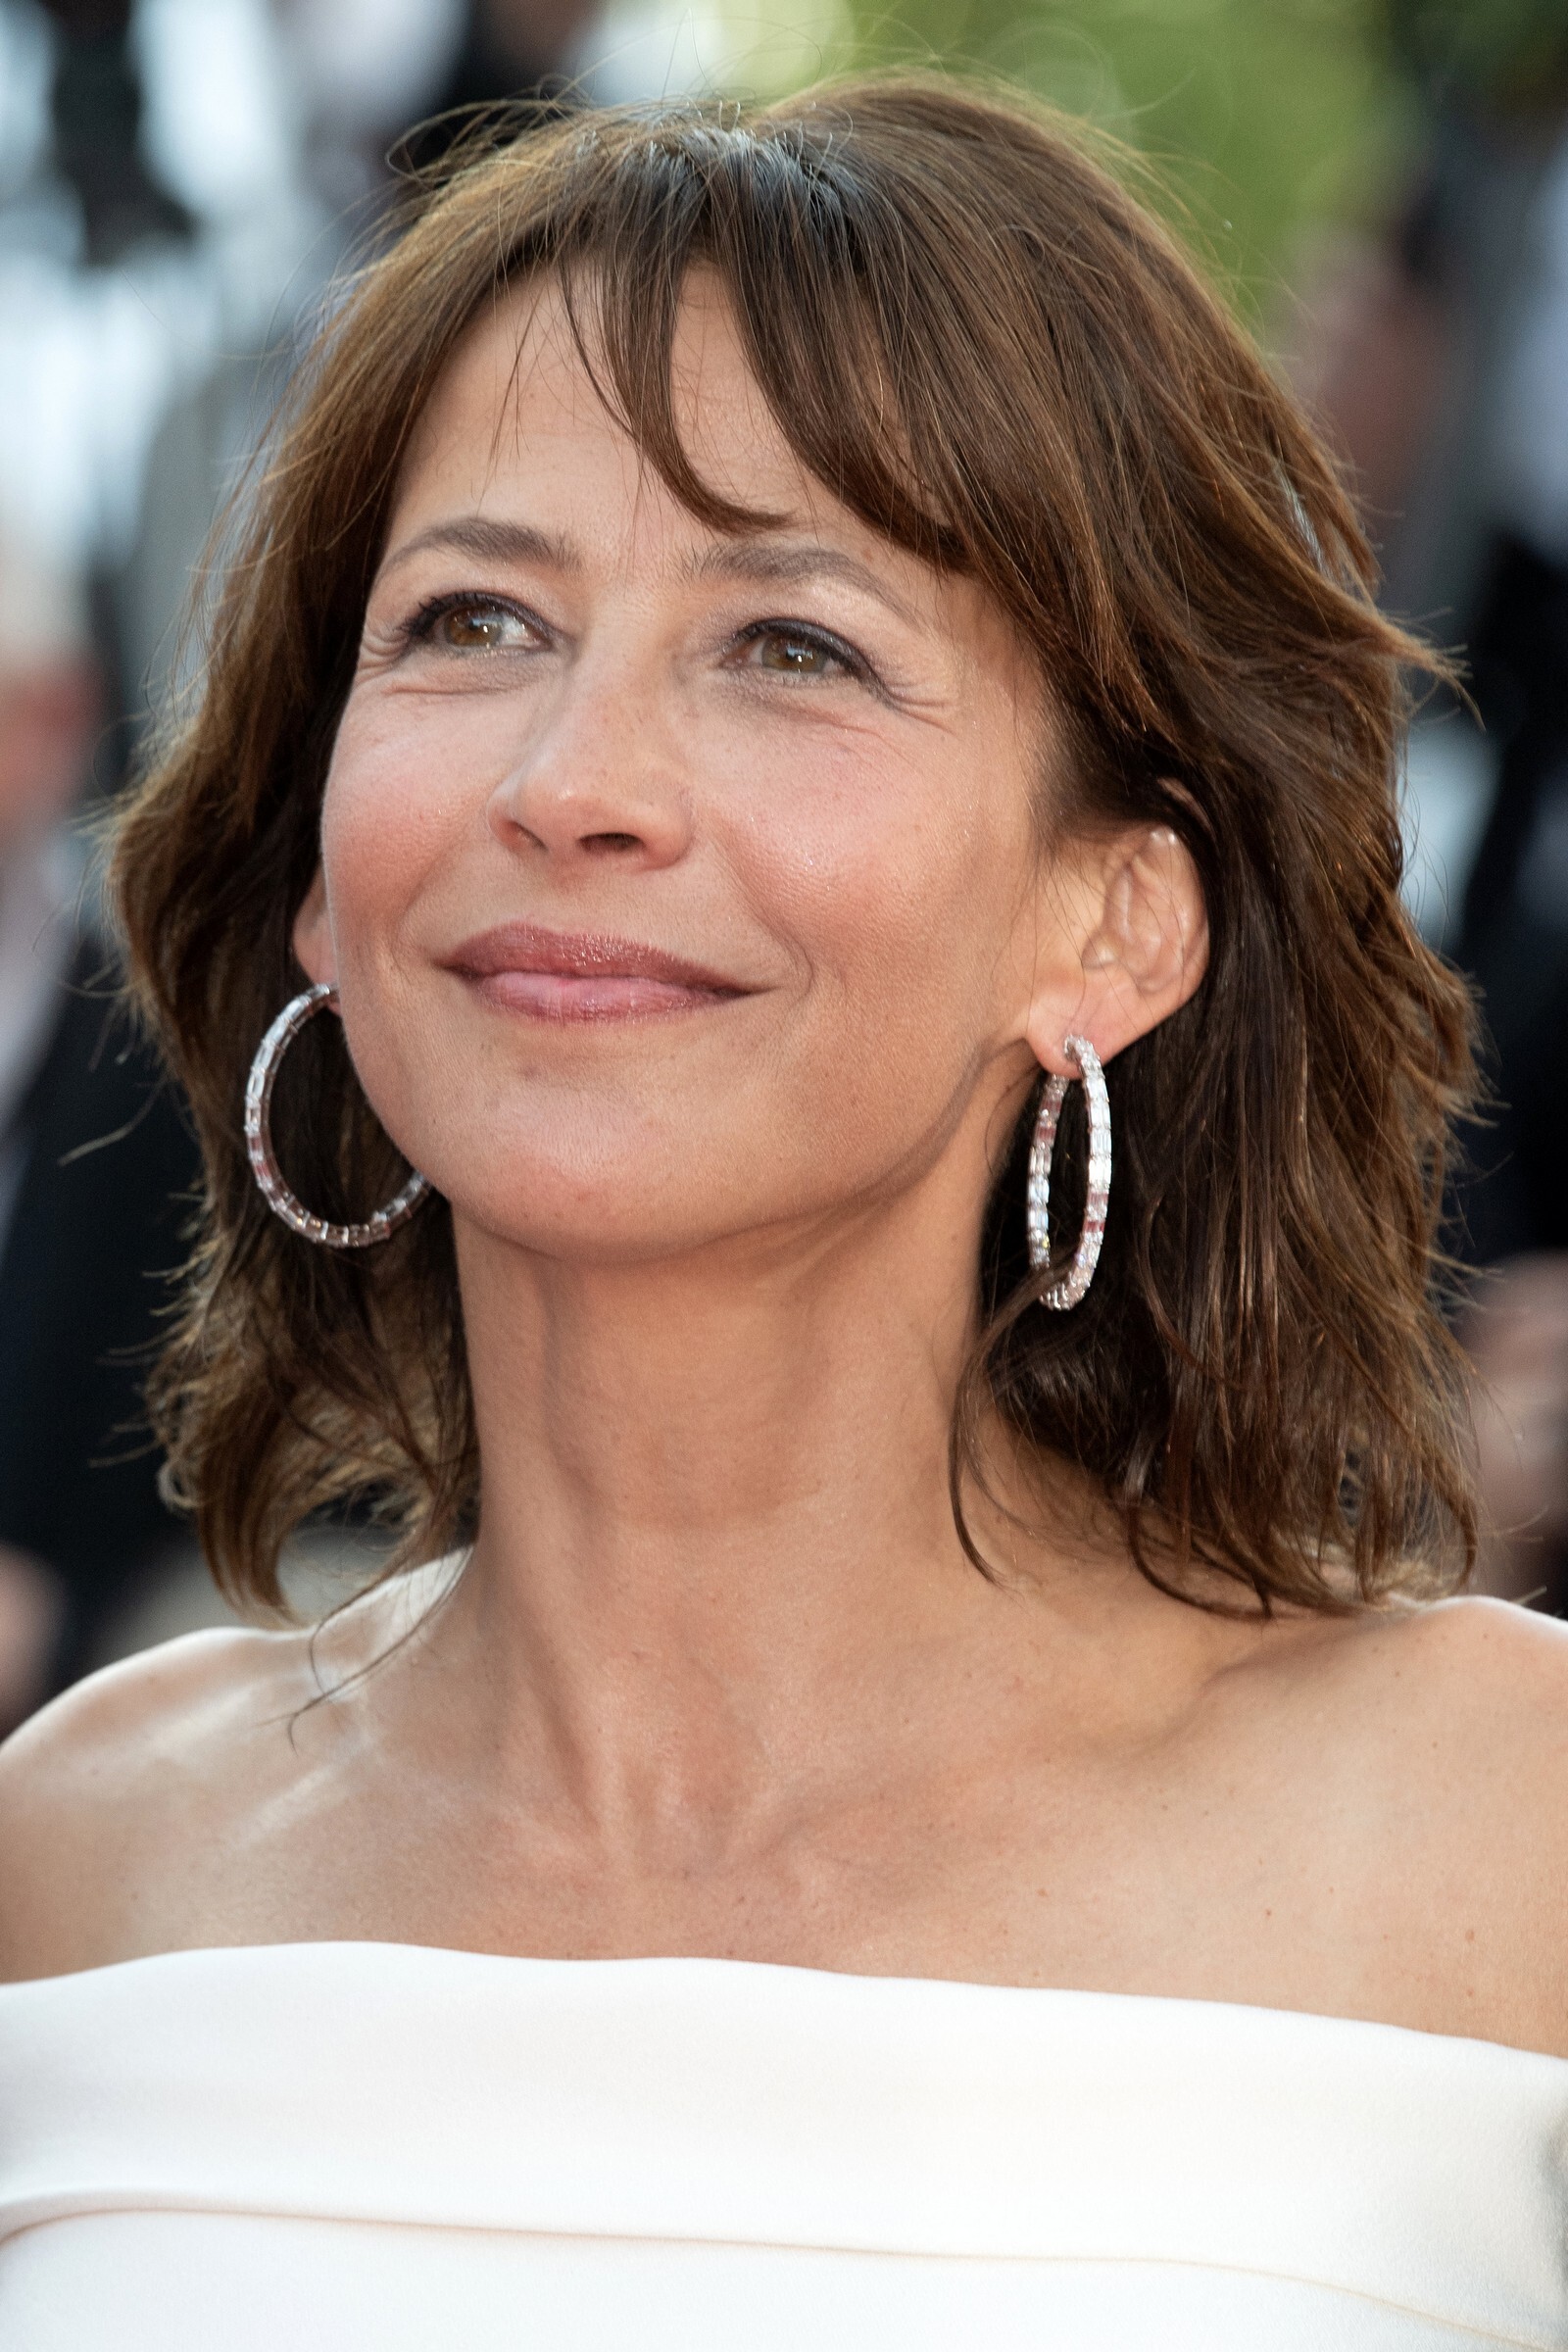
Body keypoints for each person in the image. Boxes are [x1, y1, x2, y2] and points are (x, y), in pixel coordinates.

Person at [1, 80, 1565, 2348]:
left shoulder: (1504, 1835)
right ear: (319, 880)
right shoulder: (75, 1867)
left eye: (790, 646)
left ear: (1114, 920)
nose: (574, 785)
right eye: (471, 621)